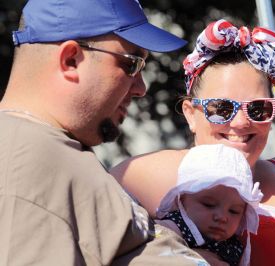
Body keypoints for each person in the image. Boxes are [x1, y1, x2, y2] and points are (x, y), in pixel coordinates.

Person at [111, 19, 275, 265]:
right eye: (222, 108)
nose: (240, 122)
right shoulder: (154, 173)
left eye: (258, 109)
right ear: (191, 114)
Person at [0, 0, 209, 265]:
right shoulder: (26, 162)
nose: (141, 88)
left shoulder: (46, 148)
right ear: (71, 59)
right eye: (132, 64)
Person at [156, 144, 263, 266]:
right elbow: (150, 250)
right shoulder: (174, 226)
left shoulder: (234, 246)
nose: (222, 217)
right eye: (209, 205)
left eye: (234, 211)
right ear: (182, 200)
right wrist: (191, 258)